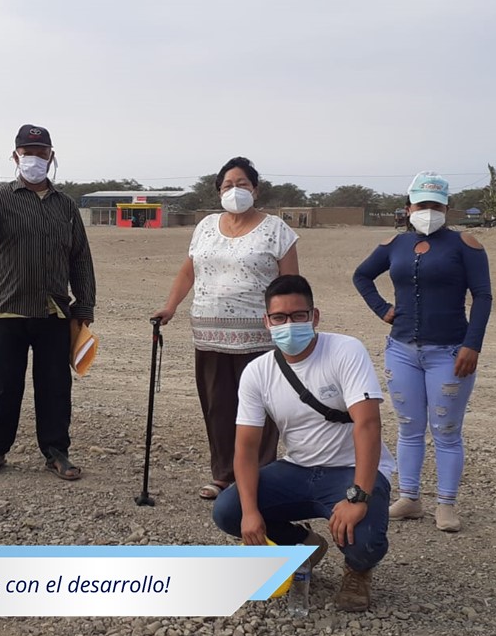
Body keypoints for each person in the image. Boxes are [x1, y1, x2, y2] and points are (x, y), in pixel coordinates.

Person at [212, 275, 394, 612]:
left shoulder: (345, 350)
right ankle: (303, 545)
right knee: (229, 511)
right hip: (297, 467)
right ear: (267, 322)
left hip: (350, 471)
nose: (289, 324)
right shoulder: (257, 372)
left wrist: (358, 496)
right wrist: (251, 513)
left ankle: (358, 569)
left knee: (365, 539)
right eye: (279, 318)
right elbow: (246, 448)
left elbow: (368, 424)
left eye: (298, 316)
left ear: (315, 316)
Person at [352, 172, 492, 532]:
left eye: (436, 205)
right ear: (408, 207)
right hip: (401, 351)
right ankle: (410, 497)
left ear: (446, 207)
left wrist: (472, 344)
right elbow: (362, 276)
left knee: (446, 430)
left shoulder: (466, 244)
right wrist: (382, 308)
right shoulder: (394, 244)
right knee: (409, 427)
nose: (428, 211)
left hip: (450, 351)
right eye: (421, 205)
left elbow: (483, 296)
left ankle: (446, 504)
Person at [0, 124, 96, 480]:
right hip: (7, 309)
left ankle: (56, 451)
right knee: (6, 384)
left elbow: (80, 257)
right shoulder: (0, 198)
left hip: (54, 311)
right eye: (27, 152)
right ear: (15, 156)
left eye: (41, 152)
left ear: (52, 156)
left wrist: (84, 306)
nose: (34, 159)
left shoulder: (65, 205)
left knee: (54, 385)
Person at [152, 157, 297, 500]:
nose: (235, 190)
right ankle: (223, 475)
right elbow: (189, 271)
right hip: (208, 334)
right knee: (218, 406)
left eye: (242, 184)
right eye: (228, 185)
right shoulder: (205, 226)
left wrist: (290, 323)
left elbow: (291, 282)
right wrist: (170, 305)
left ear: (256, 189)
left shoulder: (277, 230)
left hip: (258, 338)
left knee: (260, 409)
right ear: (218, 191)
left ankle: (258, 478)